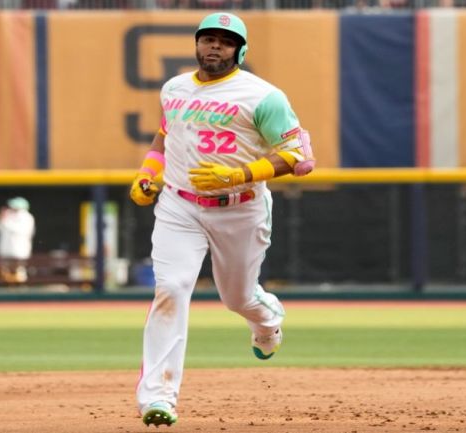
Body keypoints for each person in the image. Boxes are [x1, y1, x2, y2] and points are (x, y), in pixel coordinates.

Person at [129, 12, 315, 428]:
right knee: (171, 288)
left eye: (226, 41)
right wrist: (147, 173)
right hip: (180, 206)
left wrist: (239, 174)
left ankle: (267, 322)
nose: (215, 46)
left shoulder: (263, 96)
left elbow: (298, 156)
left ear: (240, 50)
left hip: (241, 206)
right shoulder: (174, 87)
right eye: (208, 38)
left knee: (237, 298)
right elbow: (164, 134)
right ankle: (158, 396)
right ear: (196, 44)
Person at [0, 197, 35, 283]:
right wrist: (0, 218)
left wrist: (5, 221)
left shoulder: (27, 218)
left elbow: (18, 230)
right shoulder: (8, 215)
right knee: (5, 273)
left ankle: (21, 290)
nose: (11, 208)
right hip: (5, 250)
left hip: (19, 251)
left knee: (20, 272)